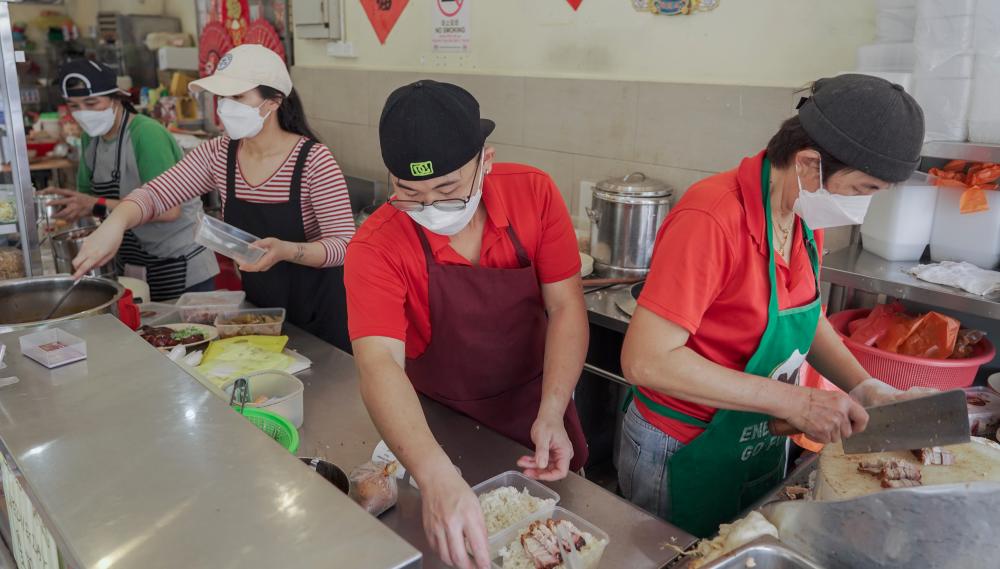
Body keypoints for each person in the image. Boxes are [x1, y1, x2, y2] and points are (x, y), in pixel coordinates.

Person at [618, 74, 934, 538]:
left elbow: (807, 316)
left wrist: (866, 388)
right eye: (864, 189)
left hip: (756, 440)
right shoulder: (711, 218)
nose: (864, 207)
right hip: (684, 449)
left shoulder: (803, 216)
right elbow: (645, 361)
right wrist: (797, 400)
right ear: (809, 164)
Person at [345, 80, 589, 569]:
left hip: (536, 406)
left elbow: (565, 307)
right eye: (409, 193)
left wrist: (553, 409)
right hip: (437, 427)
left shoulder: (533, 193)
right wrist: (434, 474)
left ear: (486, 160)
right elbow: (378, 364)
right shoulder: (376, 246)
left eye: (448, 189)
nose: (431, 207)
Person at [70, 45, 355, 351]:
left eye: (238, 97)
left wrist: (286, 250)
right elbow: (156, 194)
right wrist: (116, 222)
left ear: (273, 102)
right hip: (261, 312)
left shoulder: (314, 160)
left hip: (320, 316)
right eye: (223, 98)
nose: (225, 107)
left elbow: (344, 245)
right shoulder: (220, 153)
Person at [45, 59, 218, 300]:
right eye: (74, 106)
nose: (83, 113)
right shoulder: (90, 140)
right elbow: (87, 197)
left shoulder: (146, 134)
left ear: (116, 98)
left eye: (92, 102)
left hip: (177, 263)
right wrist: (68, 209)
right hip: (134, 264)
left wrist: (95, 204)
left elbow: (169, 210)